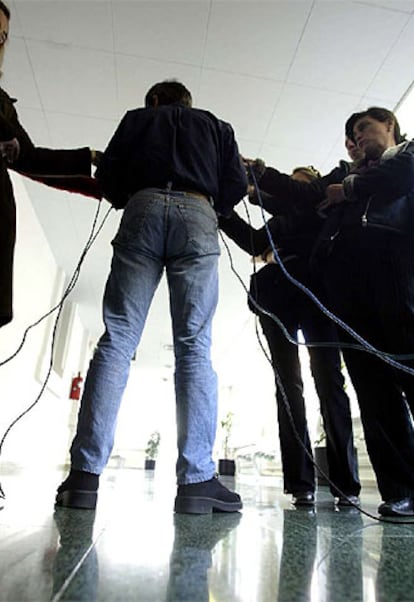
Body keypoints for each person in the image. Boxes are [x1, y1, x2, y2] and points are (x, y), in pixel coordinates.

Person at [55, 80, 247, 513]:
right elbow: (234, 187)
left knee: (118, 339)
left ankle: (84, 478)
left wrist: (136, 195)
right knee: (194, 346)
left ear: (156, 100)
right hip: (199, 212)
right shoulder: (219, 127)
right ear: (188, 101)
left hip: (141, 209)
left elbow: (107, 179)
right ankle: (197, 481)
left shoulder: (137, 119)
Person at [246, 107, 414, 517]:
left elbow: (403, 176)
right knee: (374, 394)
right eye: (350, 136)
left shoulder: (406, 155)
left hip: (396, 283)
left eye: (362, 129)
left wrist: (352, 188)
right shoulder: (337, 176)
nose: (355, 139)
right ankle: (403, 491)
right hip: (347, 298)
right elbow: (303, 195)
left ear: (390, 125)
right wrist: (260, 173)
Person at [219, 166, 360, 507]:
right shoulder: (278, 223)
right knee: (287, 384)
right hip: (278, 296)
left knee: (329, 382)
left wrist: (261, 191)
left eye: (302, 182)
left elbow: (298, 202)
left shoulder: (324, 207)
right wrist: (222, 210)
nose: (295, 188)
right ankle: (301, 484)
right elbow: (252, 242)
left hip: (318, 294)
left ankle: (346, 485)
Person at [0, 0, 101, 328]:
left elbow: (31, 159)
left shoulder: (2, 103)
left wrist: (93, 164)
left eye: (3, 38)